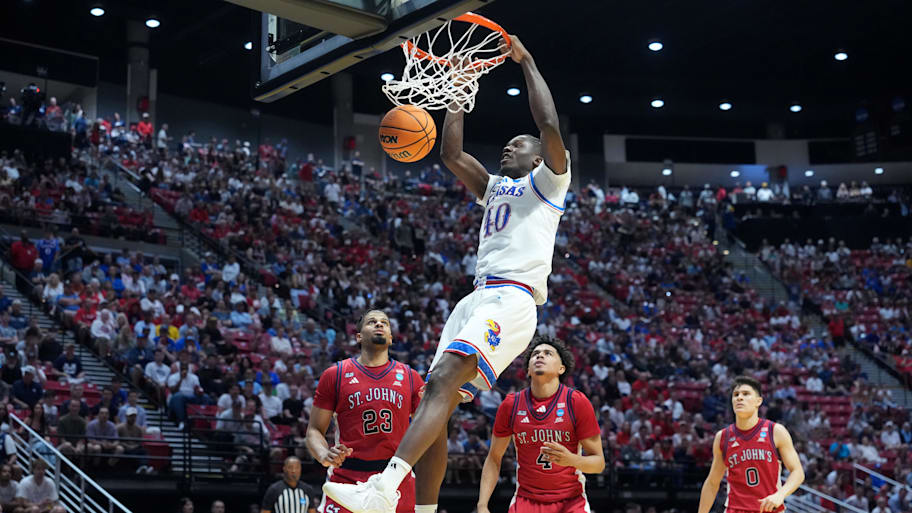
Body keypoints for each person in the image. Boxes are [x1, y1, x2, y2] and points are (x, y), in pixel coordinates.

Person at [323, 34, 571, 513]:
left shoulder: (550, 182)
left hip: (512, 299)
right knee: (433, 398)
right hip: (476, 299)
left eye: (518, 145)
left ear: (539, 158)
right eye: (507, 144)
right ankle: (425, 509)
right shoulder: (495, 187)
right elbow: (451, 155)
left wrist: (526, 60)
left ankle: (382, 488)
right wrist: (456, 92)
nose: (508, 148)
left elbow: (547, 123)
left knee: (441, 383)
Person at [307, 310, 422, 513]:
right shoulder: (335, 374)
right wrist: (324, 454)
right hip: (347, 476)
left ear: (391, 338)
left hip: (396, 477)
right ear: (359, 336)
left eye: (384, 322)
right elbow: (314, 430)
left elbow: (428, 430)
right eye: (372, 322)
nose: (379, 324)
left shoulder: (411, 377)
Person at [477, 337, 603, 513]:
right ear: (528, 370)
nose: (540, 356)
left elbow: (599, 463)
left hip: (571, 501)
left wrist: (572, 460)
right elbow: (494, 458)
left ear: (561, 368)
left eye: (548, 353)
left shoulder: (576, 402)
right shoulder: (511, 404)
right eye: (535, 354)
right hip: (526, 500)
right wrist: (482, 505)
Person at [697, 376, 805, 513]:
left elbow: (798, 472)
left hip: (769, 509)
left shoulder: (775, 431)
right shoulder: (723, 437)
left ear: (758, 401)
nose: (739, 398)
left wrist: (780, 494)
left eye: (746, 394)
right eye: (736, 395)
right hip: (735, 510)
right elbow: (712, 482)